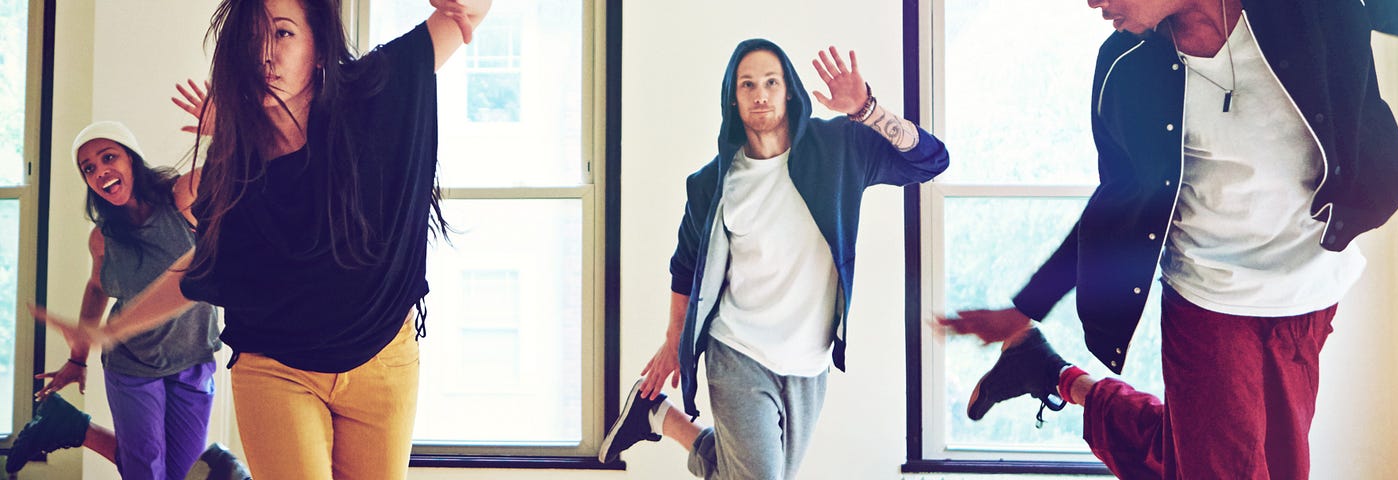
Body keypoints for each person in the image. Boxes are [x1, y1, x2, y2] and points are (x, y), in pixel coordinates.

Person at [939, 0, 1398, 478]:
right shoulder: (1123, 67)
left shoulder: (1310, 10)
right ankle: (1055, 376)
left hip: (1309, 289)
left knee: (1243, 463)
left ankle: (1056, 378)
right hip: (1208, 298)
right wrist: (1025, 305)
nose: (1092, 2)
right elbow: (1117, 205)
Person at [29, 0, 491, 478]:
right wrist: (106, 332)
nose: (265, 55)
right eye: (251, 41)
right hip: (277, 368)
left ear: (317, 48)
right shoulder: (233, 167)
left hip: (383, 357)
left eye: (284, 34)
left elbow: (468, 15)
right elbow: (200, 267)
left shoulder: (373, 93)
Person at [597, 40, 949, 479]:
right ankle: (662, 418)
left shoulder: (840, 149)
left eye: (770, 82)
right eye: (748, 85)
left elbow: (932, 161)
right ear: (733, 97)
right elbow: (685, 266)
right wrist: (675, 341)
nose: (760, 94)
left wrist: (867, 110)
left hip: (809, 362)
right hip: (738, 350)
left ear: (789, 91)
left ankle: (662, 419)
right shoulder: (712, 183)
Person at [6, 92, 248, 480]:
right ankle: (69, 425)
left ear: (130, 158)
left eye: (108, 157)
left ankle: (71, 427)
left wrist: (222, 130)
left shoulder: (181, 199)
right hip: (133, 364)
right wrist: (77, 358)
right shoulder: (103, 238)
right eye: (88, 168)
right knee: (146, 471)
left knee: (185, 473)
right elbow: (97, 289)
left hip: (193, 358)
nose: (99, 171)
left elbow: (230, 175)